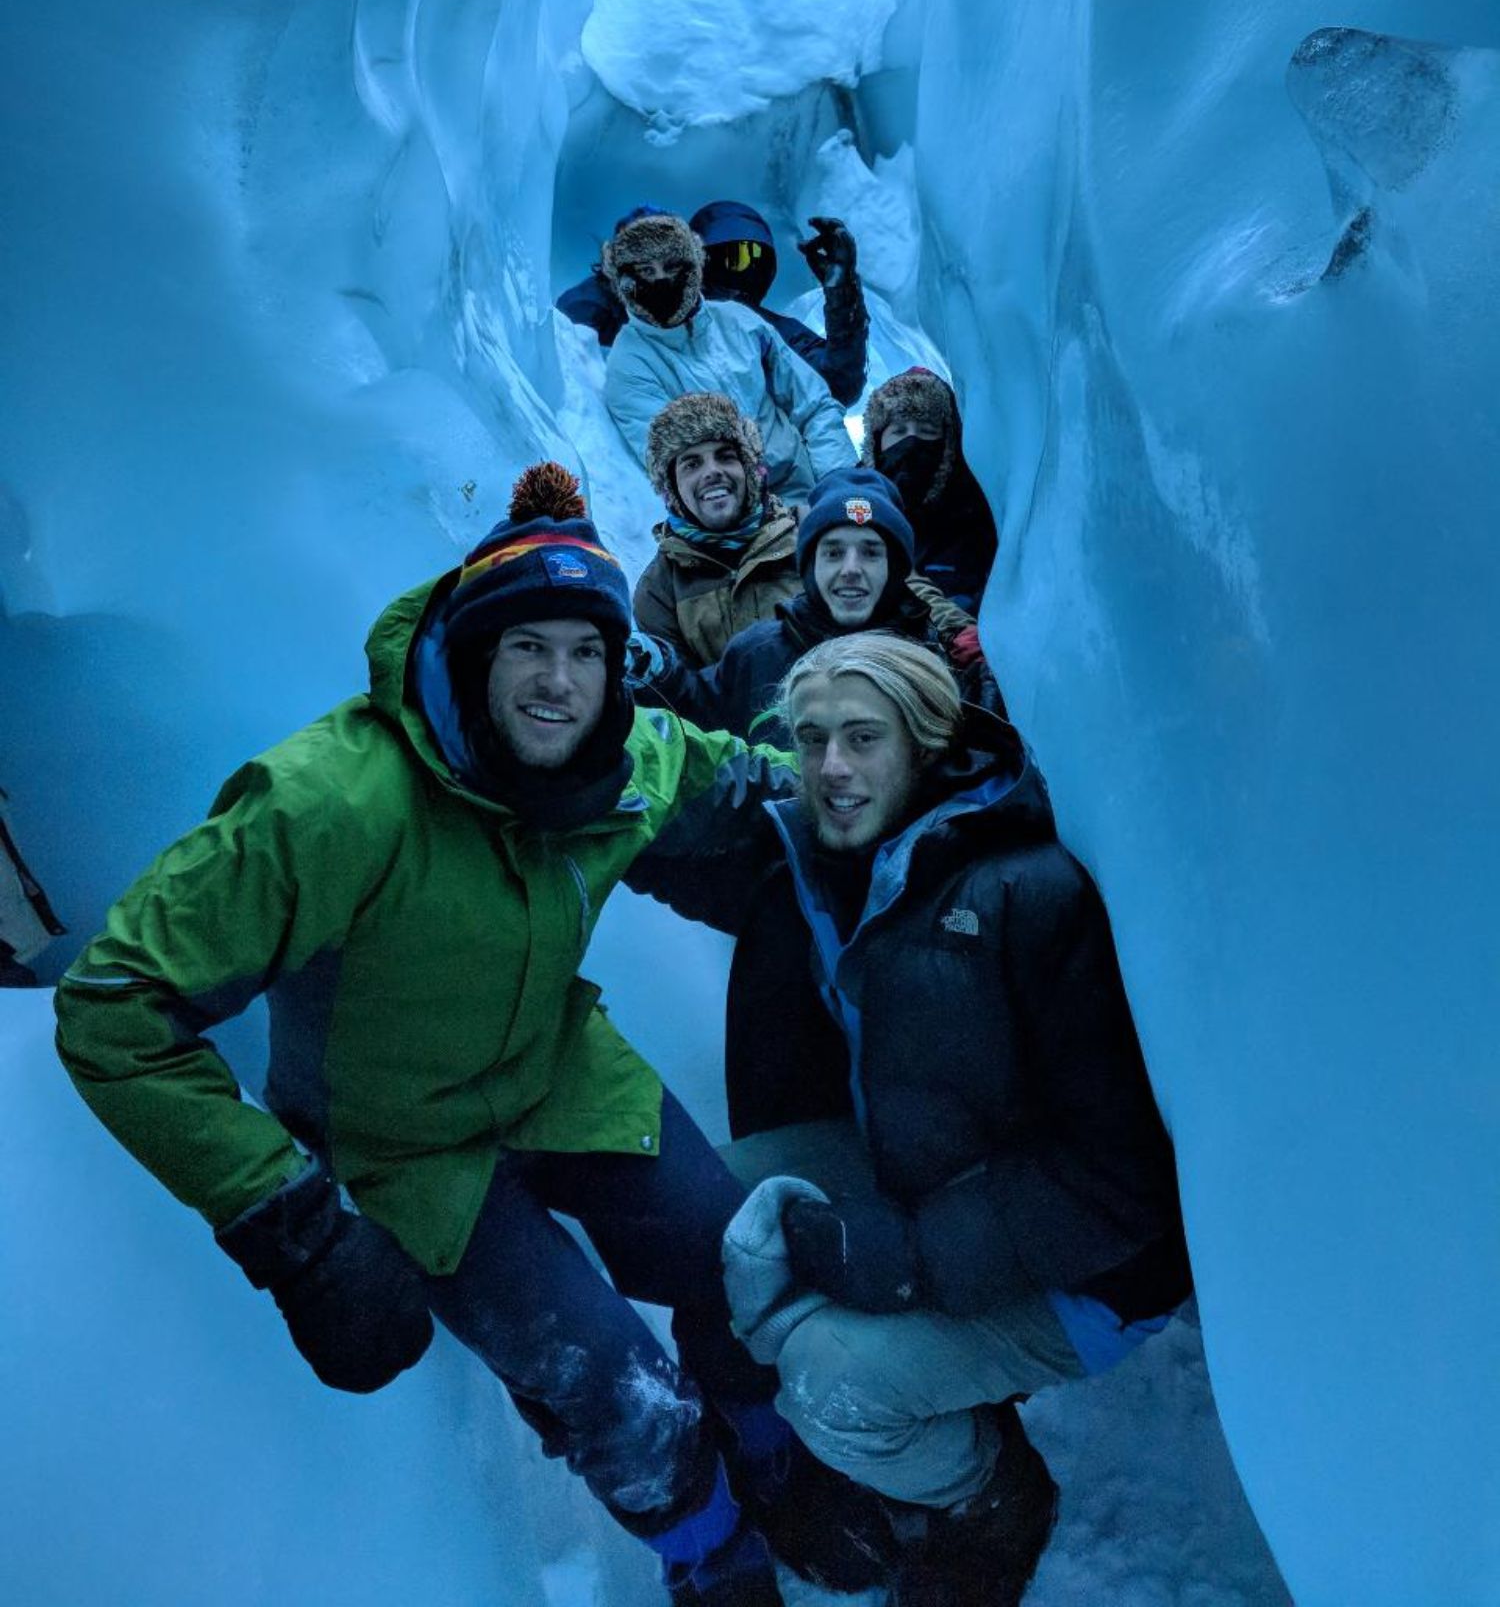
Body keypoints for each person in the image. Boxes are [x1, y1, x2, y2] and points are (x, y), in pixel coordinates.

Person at [53, 463, 837, 1606]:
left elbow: (731, 777)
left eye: (586, 648)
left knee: (732, 1259)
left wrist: (868, 786)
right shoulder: (335, 801)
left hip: (554, 1071)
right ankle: (709, 1542)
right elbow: (112, 1004)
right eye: (527, 646)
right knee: (614, 1384)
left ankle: (766, 1448)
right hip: (408, 1150)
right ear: (474, 653)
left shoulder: (627, 761)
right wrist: (293, 1223)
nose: (558, 681)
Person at [711, 634, 1191, 1607]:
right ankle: (890, 1437)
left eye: (861, 736)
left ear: (927, 743)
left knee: (828, 1378)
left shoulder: (1029, 894)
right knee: (715, 1196)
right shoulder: (844, 856)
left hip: (1089, 1271)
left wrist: (909, 1256)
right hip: (933, 1186)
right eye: (811, 739)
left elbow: (1117, 1175)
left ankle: (988, 1499)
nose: (831, 765)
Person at [630, 467, 983, 748]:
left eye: (871, 552)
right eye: (832, 552)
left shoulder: (933, 662)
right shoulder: (758, 654)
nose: (850, 569)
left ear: (895, 568)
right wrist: (657, 673)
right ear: (809, 566)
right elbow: (695, 713)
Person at [601, 209, 855, 506]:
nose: (661, 280)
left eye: (672, 267)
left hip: (806, 487)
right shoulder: (629, 362)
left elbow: (814, 405)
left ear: (694, 268)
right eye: (646, 271)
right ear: (624, 281)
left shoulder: (740, 322)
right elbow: (675, 461)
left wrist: (840, 487)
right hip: (729, 518)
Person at [633, 393, 800, 668]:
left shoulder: (806, 541)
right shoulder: (658, 590)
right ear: (671, 488)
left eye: (725, 457)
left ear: (749, 470)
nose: (712, 471)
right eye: (692, 464)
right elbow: (680, 698)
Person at [690, 201, 869, 408]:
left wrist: (842, 292)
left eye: (756, 258)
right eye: (736, 258)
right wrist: (844, 293)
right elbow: (840, 385)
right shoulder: (670, 326)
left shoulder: (776, 330)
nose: (747, 270)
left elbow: (837, 385)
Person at [862, 368, 999, 616]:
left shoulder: (975, 511)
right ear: (876, 441)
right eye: (899, 431)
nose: (912, 443)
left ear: (948, 443)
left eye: (927, 431)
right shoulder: (854, 502)